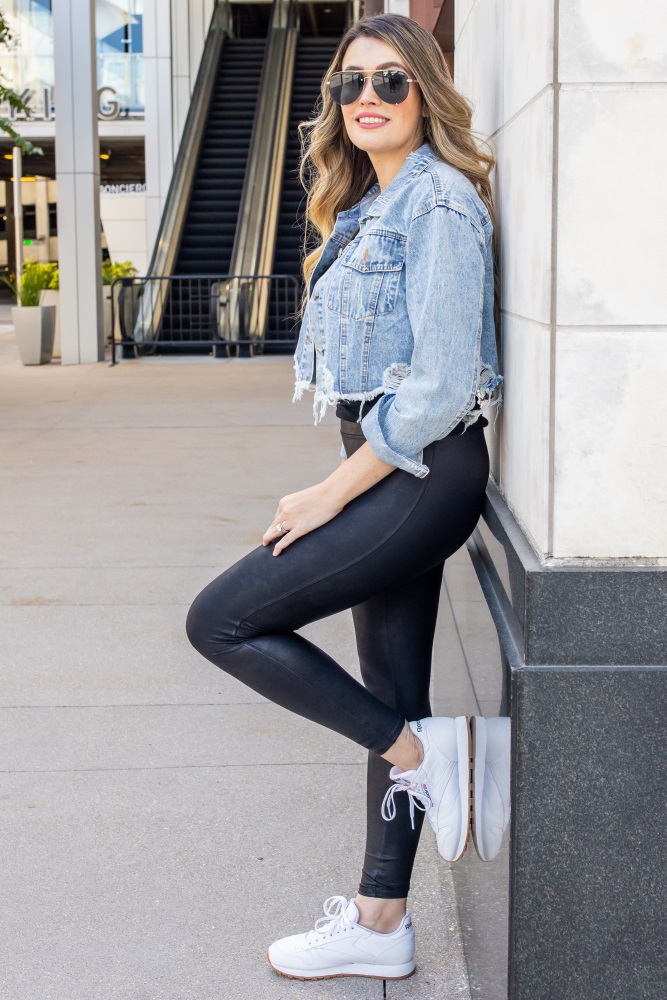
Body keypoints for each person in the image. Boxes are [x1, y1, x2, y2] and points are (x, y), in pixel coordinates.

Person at [186, 12, 511, 983]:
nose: (364, 100)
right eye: (348, 85)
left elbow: (443, 384)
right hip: (392, 469)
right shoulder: (367, 204)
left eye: (388, 83)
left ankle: (424, 754)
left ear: (427, 94)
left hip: (419, 472)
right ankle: (381, 919)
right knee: (390, 692)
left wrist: (331, 492)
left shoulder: (439, 204)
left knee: (223, 621)